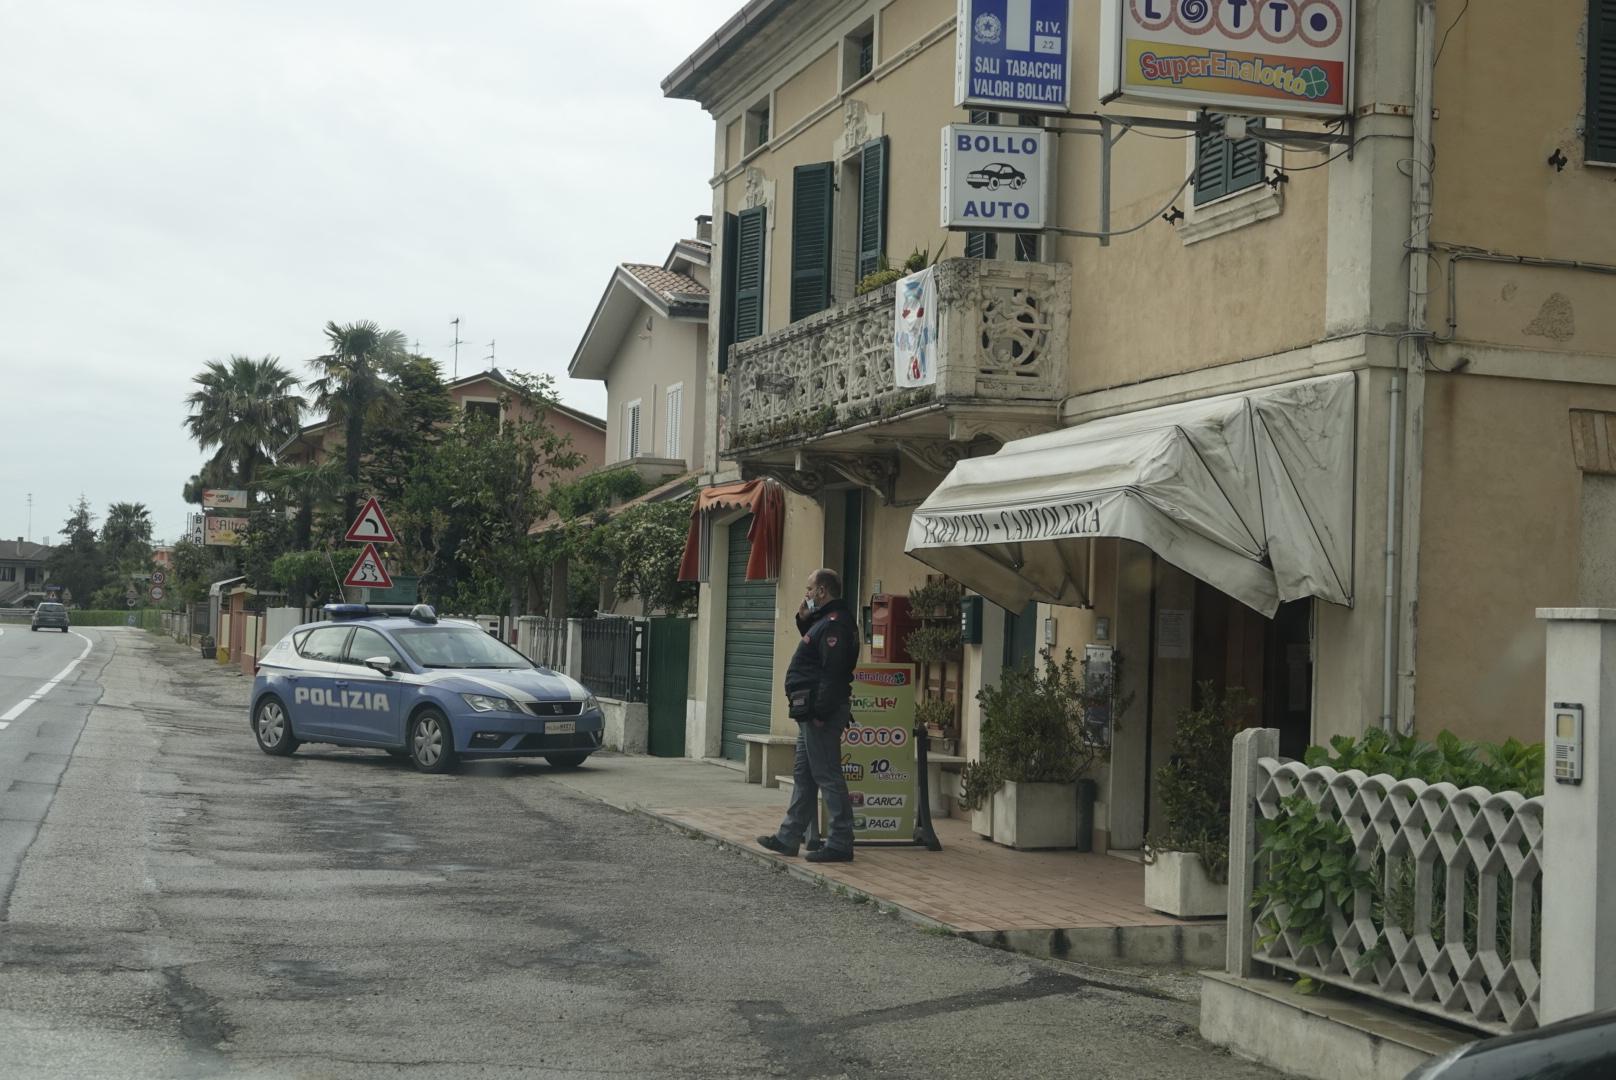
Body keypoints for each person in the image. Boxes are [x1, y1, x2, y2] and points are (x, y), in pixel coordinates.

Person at [757, 568, 861, 863]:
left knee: (827, 774)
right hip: (813, 711)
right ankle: (789, 837)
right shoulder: (825, 622)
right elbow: (816, 655)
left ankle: (841, 841)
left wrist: (820, 711)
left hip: (821, 712)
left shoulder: (836, 624)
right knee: (804, 774)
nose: (806, 594)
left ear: (822, 592)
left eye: (809, 589)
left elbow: (832, 672)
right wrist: (804, 620)